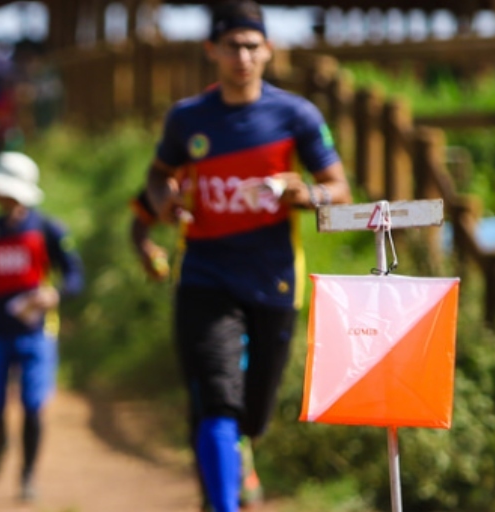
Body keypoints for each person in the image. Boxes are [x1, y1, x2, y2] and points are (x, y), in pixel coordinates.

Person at [143, 2, 353, 511]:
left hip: (274, 277)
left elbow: (339, 189)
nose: (243, 56)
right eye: (232, 45)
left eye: (252, 45)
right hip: (205, 273)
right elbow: (157, 176)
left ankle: (243, 452)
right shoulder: (188, 118)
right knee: (218, 397)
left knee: (253, 413)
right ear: (211, 51)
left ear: (269, 50)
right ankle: (223, 503)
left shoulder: (295, 115)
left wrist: (302, 193)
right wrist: (164, 202)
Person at [0, 151, 83, 502]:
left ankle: (28, 476)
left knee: (32, 405)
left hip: (36, 335)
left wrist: (55, 294)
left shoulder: (49, 229)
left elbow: (75, 276)